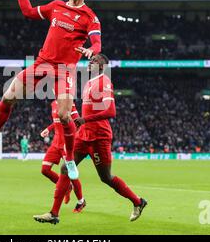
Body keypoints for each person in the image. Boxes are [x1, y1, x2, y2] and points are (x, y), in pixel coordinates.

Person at [0, 0, 102, 180]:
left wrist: (91, 51)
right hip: (42, 63)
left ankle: (69, 159)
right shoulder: (56, 6)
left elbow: (96, 43)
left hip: (64, 70)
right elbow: (28, 11)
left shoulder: (90, 17)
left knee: (65, 115)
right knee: (8, 97)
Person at [33, 54, 147, 225]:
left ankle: (138, 202)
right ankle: (54, 213)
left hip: (99, 136)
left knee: (106, 177)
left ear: (102, 66)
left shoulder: (104, 82)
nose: (91, 62)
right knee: (66, 168)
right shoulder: (88, 83)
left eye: (95, 61)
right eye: (91, 60)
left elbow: (111, 111)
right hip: (84, 135)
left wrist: (85, 120)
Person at [40, 100, 86, 211]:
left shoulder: (69, 102)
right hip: (56, 142)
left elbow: (78, 122)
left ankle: (81, 201)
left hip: (67, 143)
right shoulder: (53, 103)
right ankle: (67, 187)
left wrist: (73, 138)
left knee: (71, 173)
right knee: (45, 170)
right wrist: (49, 129)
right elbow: (57, 121)